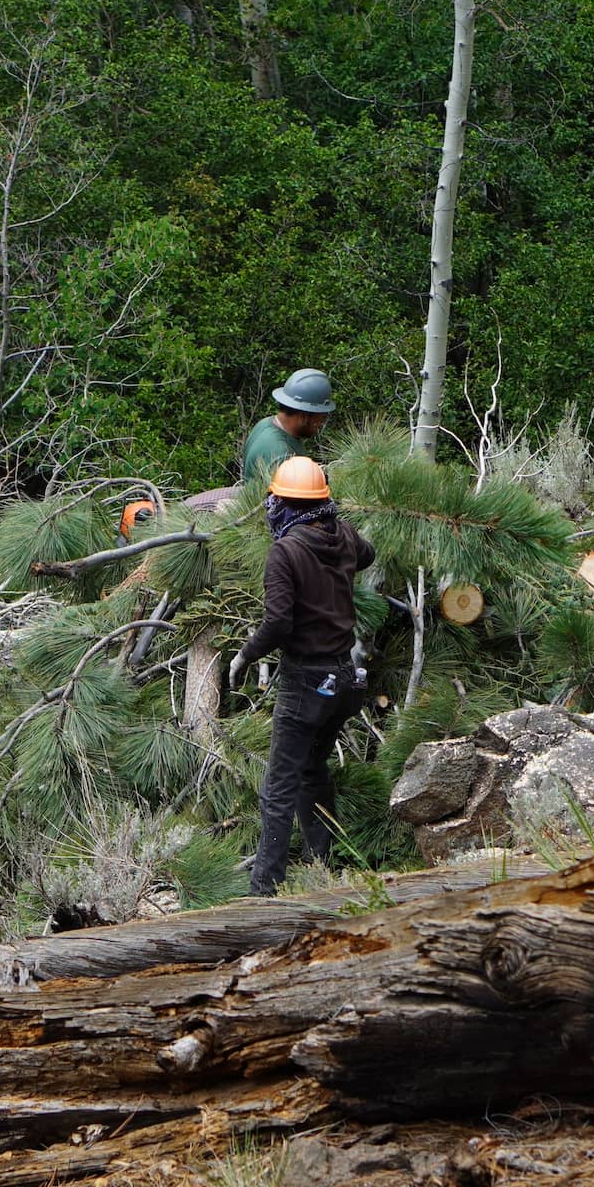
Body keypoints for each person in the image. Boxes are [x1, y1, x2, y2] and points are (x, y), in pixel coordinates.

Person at [228, 456, 374, 896]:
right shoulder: (343, 534)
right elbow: (367, 554)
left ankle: (263, 889)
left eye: (275, 499)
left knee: (279, 785)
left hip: (306, 683)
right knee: (313, 769)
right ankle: (323, 865)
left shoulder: (285, 550)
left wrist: (245, 656)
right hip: (346, 682)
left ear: (283, 503)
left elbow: (278, 623)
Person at [240, 368, 334, 482]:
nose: (321, 423)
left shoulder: (266, 423)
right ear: (304, 416)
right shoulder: (280, 455)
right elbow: (291, 499)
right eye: (321, 416)